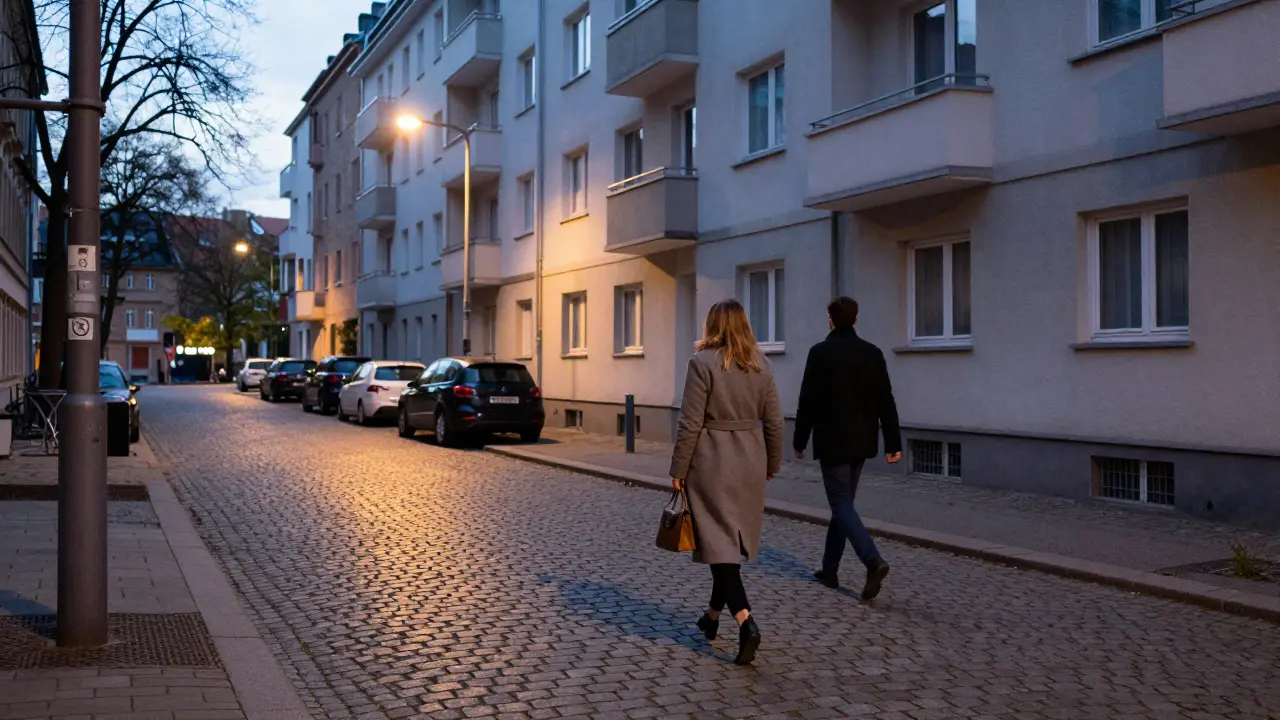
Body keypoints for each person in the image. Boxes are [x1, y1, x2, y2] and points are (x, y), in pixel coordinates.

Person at [669, 299, 783, 666]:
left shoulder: (702, 363)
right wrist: (773, 462)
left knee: (720, 547)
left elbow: (690, 422)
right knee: (727, 545)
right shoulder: (761, 364)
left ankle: (745, 621)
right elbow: (776, 421)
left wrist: (678, 469)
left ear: (712, 325)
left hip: (711, 461)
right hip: (750, 460)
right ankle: (711, 617)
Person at [793, 296, 902, 601]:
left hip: (832, 441)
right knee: (844, 506)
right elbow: (886, 400)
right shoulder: (873, 353)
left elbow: (807, 401)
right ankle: (829, 570)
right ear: (856, 320)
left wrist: (799, 439)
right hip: (863, 441)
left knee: (841, 504)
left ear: (831, 320)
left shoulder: (820, 353)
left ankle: (872, 560)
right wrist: (893, 442)